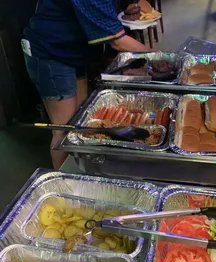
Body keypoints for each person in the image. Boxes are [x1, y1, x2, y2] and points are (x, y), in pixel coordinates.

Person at [22, 0, 151, 169]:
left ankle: (84, 172)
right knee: (64, 130)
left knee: (82, 120)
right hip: (49, 53)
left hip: (75, 50)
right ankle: (65, 186)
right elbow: (117, 41)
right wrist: (159, 55)